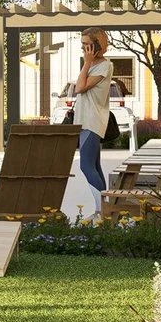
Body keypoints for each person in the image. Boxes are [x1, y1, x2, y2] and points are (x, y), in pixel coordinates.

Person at [61, 29, 117, 197]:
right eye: (82, 44)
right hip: (84, 120)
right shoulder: (93, 65)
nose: (83, 48)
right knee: (95, 166)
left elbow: (79, 88)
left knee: (85, 166)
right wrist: (88, 63)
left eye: (87, 45)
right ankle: (103, 211)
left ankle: (101, 210)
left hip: (92, 121)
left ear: (97, 45)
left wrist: (86, 63)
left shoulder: (105, 66)